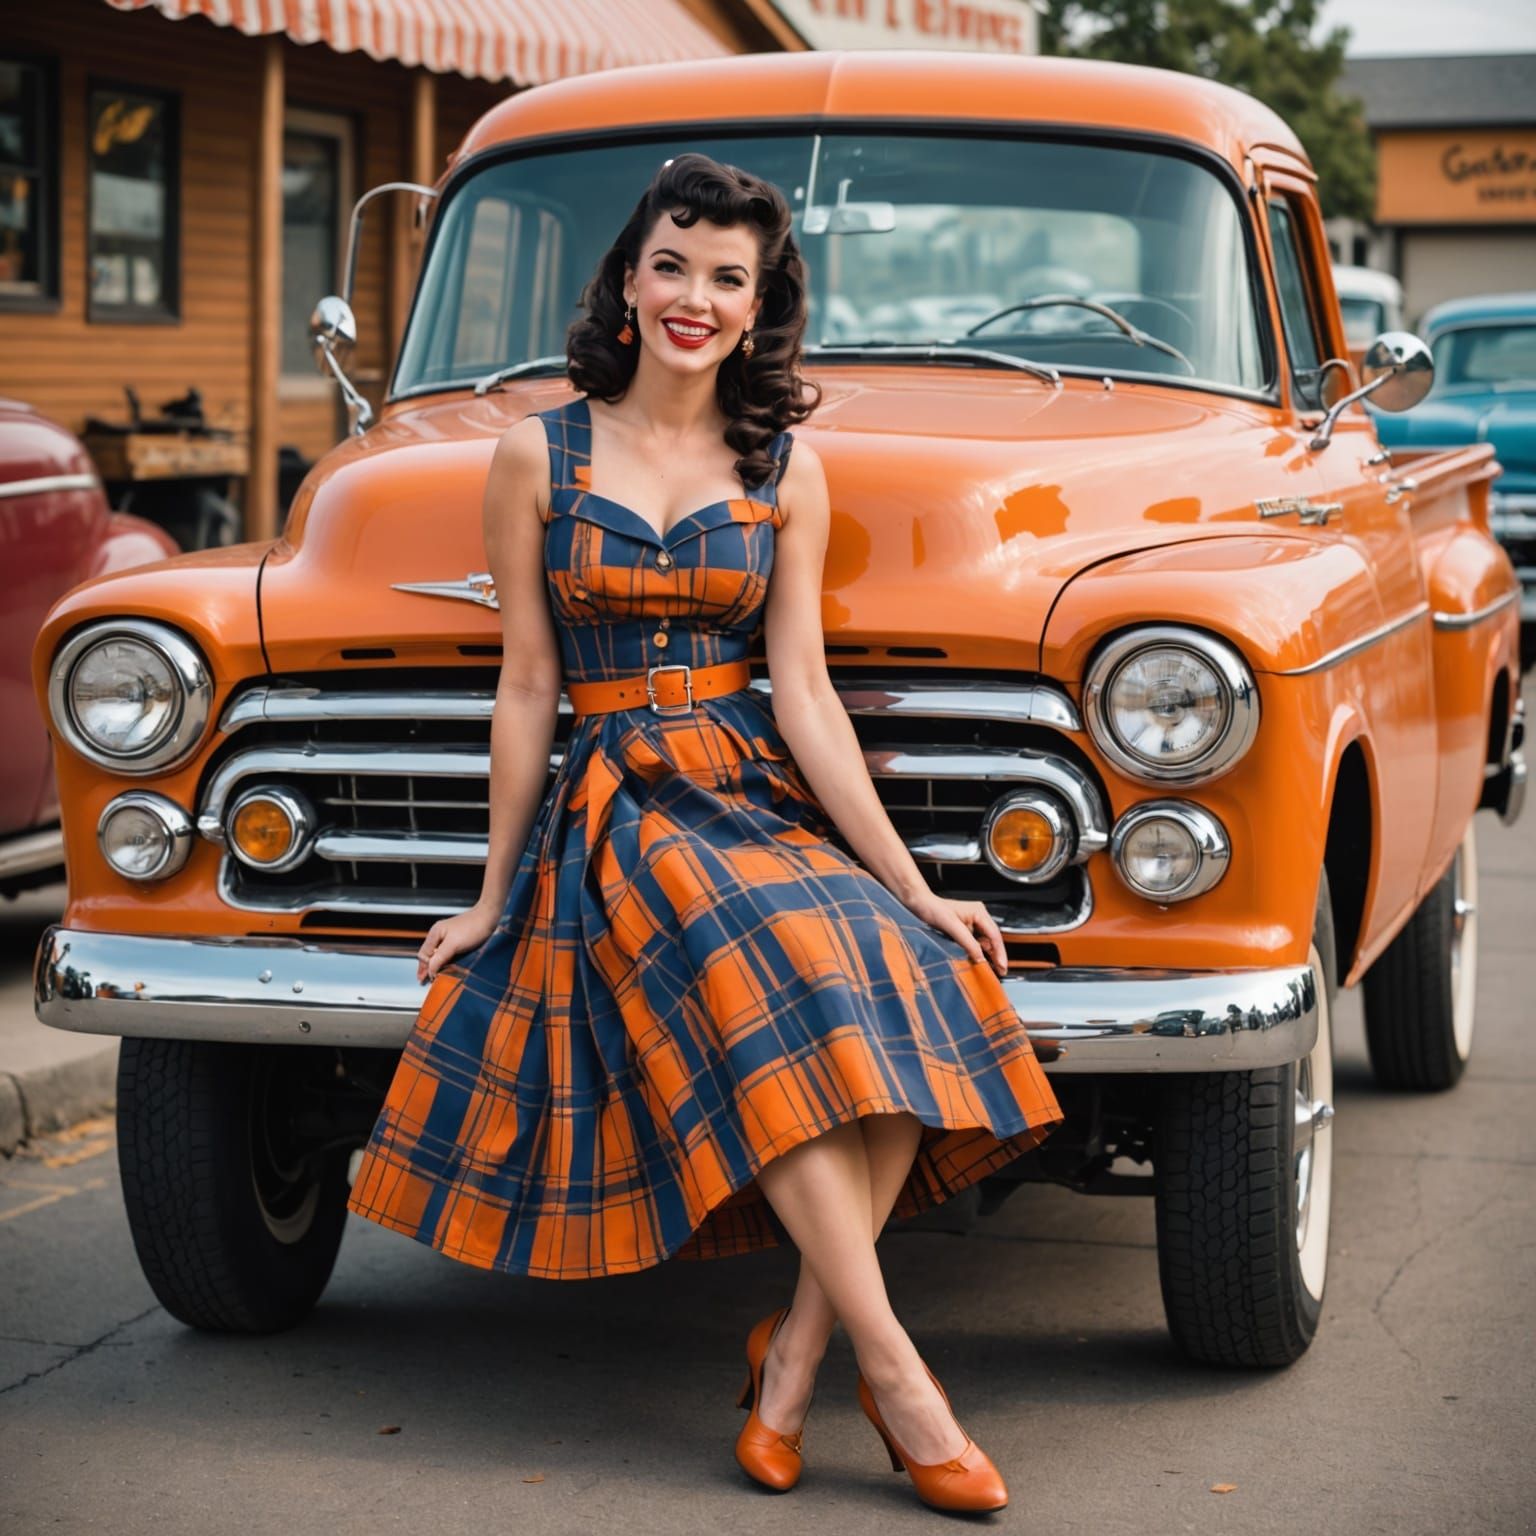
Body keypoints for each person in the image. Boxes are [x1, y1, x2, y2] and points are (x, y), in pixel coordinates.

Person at [345, 152, 1065, 1513]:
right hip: (619, 801)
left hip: (747, 784)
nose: (694, 296)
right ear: (627, 280)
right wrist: (492, 893)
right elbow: (528, 686)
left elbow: (805, 694)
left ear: (758, 304)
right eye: (671, 265)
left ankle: (794, 1356)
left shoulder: (785, 468)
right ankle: (899, 1377)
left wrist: (913, 885)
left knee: (901, 968)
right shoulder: (539, 453)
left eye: (727, 277)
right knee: (756, 974)